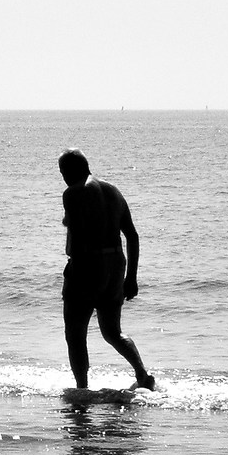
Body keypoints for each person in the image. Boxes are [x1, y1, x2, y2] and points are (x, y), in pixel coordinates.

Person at [56, 149, 157, 391]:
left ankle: (82, 389)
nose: (62, 177)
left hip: (87, 266)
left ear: (70, 171)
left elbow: (76, 232)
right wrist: (131, 277)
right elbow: (132, 236)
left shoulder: (73, 193)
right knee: (113, 332)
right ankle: (143, 375)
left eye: (62, 172)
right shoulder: (114, 191)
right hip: (115, 265)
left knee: (75, 332)